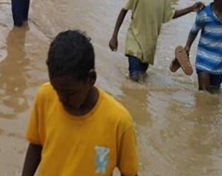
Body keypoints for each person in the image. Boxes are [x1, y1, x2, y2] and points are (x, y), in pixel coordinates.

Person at [22, 30, 139, 176]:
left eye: (70, 93)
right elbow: (36, 145)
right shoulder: (45, 96)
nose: (61, 98)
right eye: (56, 89)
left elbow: (129, 173)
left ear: (91, 79)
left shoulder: (118, 122)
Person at [109, 0, 204, 82]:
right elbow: (124, 10)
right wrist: (114, 36)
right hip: (134, 41)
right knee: (134, 78)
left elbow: (170, 15)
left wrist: (191, 8)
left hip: (149, 46)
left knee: (142, 78)